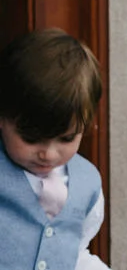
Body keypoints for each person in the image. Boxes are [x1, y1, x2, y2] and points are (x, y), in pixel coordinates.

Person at [0, 28, 111, 270]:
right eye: (31, 138)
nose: (48, 154)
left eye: (66, 138)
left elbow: (74, 251)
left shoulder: (87, 183)